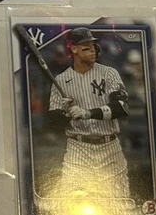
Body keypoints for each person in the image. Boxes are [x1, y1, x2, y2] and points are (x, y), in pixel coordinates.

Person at [47, 29, 130, 199]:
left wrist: (87, 113)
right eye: (86, 46)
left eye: (94, 46)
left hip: (110, 147)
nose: (92, 50)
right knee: (72, 202)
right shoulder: (60, 80)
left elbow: (121, 108)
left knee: (117, 203)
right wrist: (65, 113)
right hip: (78, 148)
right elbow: (52, 123)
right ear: (74, 49)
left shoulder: (109, 73)